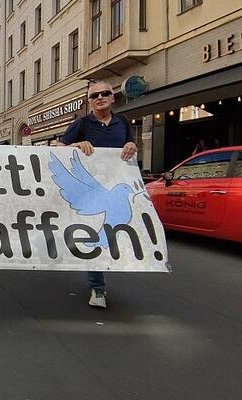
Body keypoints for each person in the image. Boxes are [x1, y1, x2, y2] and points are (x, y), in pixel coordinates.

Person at [58, 82, 138, 309]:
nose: (100, 97)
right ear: (89, 101)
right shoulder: (82, 123)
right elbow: (58, 149)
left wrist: (132, 144)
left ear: (113, 98)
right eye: (95, 95)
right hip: (91, 192)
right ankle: (98, 287)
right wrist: (75, 145)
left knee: (112, 233)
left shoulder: (122, 122)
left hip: (117, 187)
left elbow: (129, 145)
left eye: (105, 93)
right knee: (98, 232)